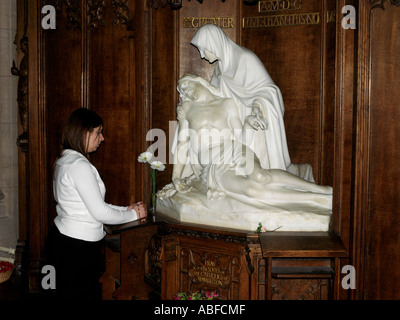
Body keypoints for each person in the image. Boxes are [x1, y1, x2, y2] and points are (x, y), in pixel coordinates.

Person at [168, 74, 331, 211]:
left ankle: (319, 189)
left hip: (235, 149)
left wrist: (248, 124)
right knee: (251, 190)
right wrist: (176, 177)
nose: (184, 91)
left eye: (186, 85)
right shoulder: (187, 108)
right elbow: (183, 144)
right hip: (215, 164)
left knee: (260, 176)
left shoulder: (227, 103)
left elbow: (241, 139)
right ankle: (314, 199)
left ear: (199, 81)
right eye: (182, 91)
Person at [190, 24, 314, 182]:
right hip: (234, 124)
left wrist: (256, 108)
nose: (201, 55)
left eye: (204, 49)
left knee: (254, 174)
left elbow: (269, 91)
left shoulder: (245, 59)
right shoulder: (220, 67)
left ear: (215, 43)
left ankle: (299, 173)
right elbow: (214, 96)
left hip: (253, 119)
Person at [47, 108, 147, 300]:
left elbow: (89, 205)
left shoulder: (65, 159)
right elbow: (100, 213)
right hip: (76, 248)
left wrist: (125, 209)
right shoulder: (79, 165)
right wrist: (134, 215)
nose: (102, 138)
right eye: (98, 132)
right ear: (84, 132)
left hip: (66, 241)